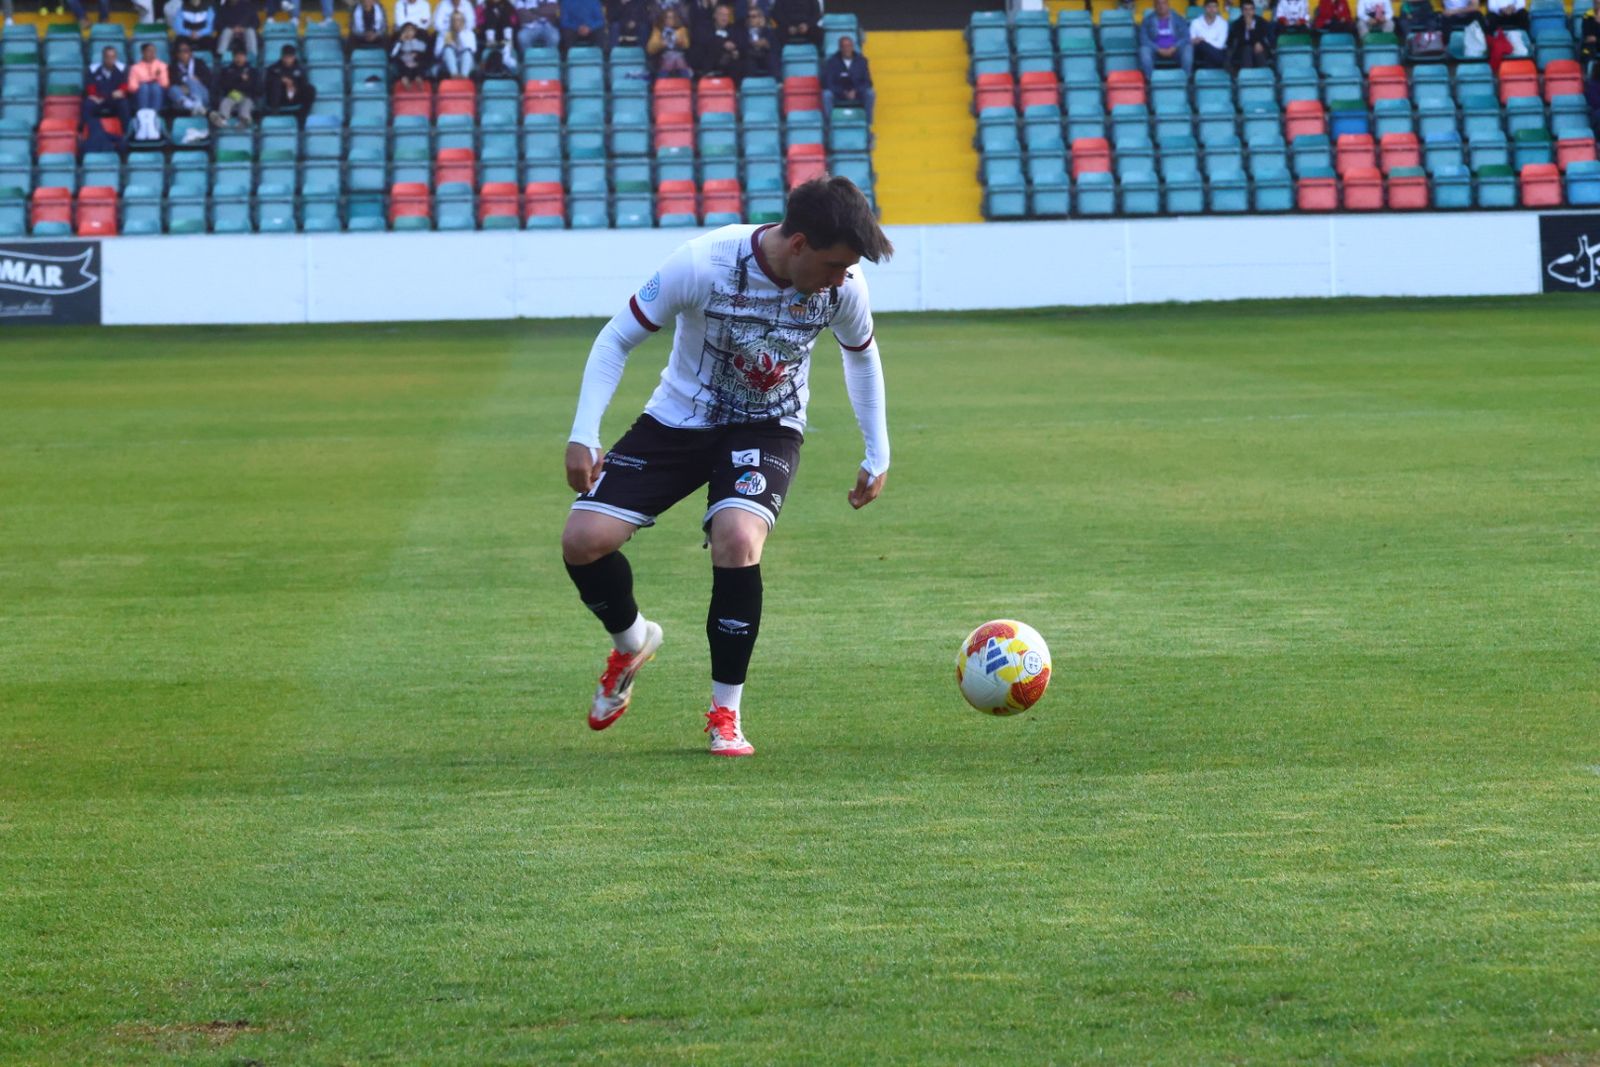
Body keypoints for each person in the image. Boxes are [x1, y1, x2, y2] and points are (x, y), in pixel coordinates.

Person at [560, 177, 893, 759]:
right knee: (583, 541)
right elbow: (616, 339)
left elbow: (861, 357)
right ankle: (633, 641)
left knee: (737, 538)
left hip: (768, 427)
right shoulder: (703, 262)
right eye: (835, 263)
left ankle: (725, 713)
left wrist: (877, 450)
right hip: (678, 420)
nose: (843, 278)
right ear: (798, 244)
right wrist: (583, 434)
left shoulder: (844, 285)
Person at [822, 34, 874, 121]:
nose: (847, 49)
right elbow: (827, 82)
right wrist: (843, 92)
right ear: (840, 48)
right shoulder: (832, 62)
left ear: (852, 46)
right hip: (838, 93)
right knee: (826, 95)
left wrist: (856, 91)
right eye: (844, 46)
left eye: (849, 46)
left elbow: (868, 82)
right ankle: (829, 127)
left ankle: (867, 126)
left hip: (857, 93)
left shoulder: (861, 61)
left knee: (870, 93)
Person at [82, 45, 130, 132]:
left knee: (124, 104)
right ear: (103, 57)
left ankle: (125, 134)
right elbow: (91, 88)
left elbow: (123, 87)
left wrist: (120, 92)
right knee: (88, 104)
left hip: (114, 100)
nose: (111, 60)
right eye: (108, 57)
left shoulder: (122, 69)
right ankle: (85, 133)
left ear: (116, 57)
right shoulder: (92, 69)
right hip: (98, 99)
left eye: (113, 57)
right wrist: (95, 96)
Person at [210, 43, 260, 126]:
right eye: (237, 55)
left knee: (246, 103)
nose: (239, 58)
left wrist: (244, 83)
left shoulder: (253, 71)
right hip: (232, 95)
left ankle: (244, 120)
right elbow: (224, 86)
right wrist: (240, 80)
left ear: (245, 57)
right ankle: (222, 119)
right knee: (226, 101)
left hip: (248, 96)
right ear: (233, 57)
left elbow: (258, 88)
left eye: (241, 55)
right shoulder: (227, 71)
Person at [265, 43, 316, 121]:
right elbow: (266, 84)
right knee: (275, 83)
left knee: (310, 89)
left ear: (294, 57)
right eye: (286, 57)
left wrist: (294, 86)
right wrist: (281, 80)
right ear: (282, 57)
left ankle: (303, 117)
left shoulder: (300, 69)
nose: (288, 59)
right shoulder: (273, 68)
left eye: (290, 57)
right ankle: (275, 115)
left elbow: (304, 84)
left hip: (295, 95)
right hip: (280, 97)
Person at [1140, 0, 1192, 75]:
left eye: (1164, 3)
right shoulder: (1147, 20)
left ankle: (1186, 79)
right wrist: (1158, 49)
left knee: (1188, 48)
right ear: (1154, 6)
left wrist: (1174, 47)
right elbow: (1143, 39)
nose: (1161, 6)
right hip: (1155, 51)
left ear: (1168, 5)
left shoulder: (1178, 18)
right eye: (1158, 3)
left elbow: (1186, 37)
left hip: (1175, 50)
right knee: (1144, 50)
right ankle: (1149, 81)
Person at [692, 3, 743, 78]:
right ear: (715, 15)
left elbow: (738, 42)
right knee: (713, 46)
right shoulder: (705, 27)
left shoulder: (732, 29)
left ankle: (735, 86)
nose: (725, 18)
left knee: (737, 60)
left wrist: (736, 50)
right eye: (722, 15)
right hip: (707, 59)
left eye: (727, 15)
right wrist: (723, 43)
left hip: (727, 60)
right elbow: (703, 39)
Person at [167, 39, 211, 117]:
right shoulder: (173, 67)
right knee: (172, 89)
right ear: (177, 54)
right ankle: (193, 106)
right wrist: (185, 86)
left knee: (191, 80)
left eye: (186, 51)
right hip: (184, 97)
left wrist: (197, 81)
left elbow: (209, 79)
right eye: (181, 51)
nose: (183, 54)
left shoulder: (199, 63)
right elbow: (172, 82)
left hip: (201, 94)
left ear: (191, 53)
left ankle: (197, 103)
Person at [1228, 0, 1275, 67]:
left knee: (1258, 51)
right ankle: (1248, 75)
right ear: (1242, 11)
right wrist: (1249, 28)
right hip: (1243, 50)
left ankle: (1262, 74)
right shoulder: (1237, 24)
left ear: (1254, 11)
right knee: (1247, 49)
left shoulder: (1261, 22)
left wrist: (1257, 42)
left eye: (1250, 9)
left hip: (1261, 49)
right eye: (1246, 10)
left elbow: (1265, 38)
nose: (1248, 12)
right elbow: (1241, 41)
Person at [127, 42, 170, 115]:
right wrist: (151, 79)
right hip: (141, 93)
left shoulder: (162, 66)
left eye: (154, 51)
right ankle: (143, 115)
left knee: (155, 87)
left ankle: (155, 114)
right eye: (149, 51)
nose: (152, 53)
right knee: (144, 87)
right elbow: (132, 87)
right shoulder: (135, 68)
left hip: (159, 92)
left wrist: (157, 77)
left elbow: (165, 84)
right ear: (142, 52)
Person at [478, 0, 520, 74]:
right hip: (489, 40)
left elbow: (516, 24)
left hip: (506, 39)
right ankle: (491, 40)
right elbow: (479, 25)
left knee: (506, 13)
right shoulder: (484, 7)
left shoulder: (509, 6)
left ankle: (507, 52)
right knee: (490, 13)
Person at [647, 7, 692, 76]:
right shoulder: (658, 30)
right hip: (663, 56)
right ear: (663, 19)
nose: (669, 20)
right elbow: (650, 48)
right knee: (671, 59)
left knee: (676, 58)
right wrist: (661, 44)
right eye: (667, 17)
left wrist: (680, 42)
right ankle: (661, 83)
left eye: (671, 17)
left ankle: (685, 83)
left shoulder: (681, 29)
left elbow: (687, 45)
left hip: (679, 56)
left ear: (675, 19)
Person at [741, 4, 778, 78]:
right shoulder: (742, 32)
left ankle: (777, 82)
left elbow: (776, 47)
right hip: (750, 55)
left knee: (772, 57)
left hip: (764, 55)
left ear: (760, 18)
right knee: (747, 61)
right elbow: (740, 46)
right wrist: (750, 43)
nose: (751, 19)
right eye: (749, 16)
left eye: (754, 16)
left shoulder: (767, 31)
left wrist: (766, 44)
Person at [437, 9, 478, 76]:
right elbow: (437, 53)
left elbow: (473, 51)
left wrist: (460, 34)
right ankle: (454, 75)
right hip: (447, 64)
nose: (457, 22)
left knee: (467, 52)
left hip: (466, 63)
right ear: (451, 22)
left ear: (463, 21)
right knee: (448, 49)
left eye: (459, 20)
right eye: (454, 20)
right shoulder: (444, 33)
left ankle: (464, 77)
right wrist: (448, 42)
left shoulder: (469, 34)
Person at [1191, 0, 1230, 67]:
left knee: (1206, 51)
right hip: (1200, 53)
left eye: (1214, 7)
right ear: (1204, 8)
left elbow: (1220, 45)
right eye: (1209, 7)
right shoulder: (1195, 22)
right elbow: (1192, 41)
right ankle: (1224, 63)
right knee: (1201, 45)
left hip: (1217, 51)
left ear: (1217, 9)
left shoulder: (1223, 23)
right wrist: (1201, 42)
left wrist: (1203, 40)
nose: (1212, 9)